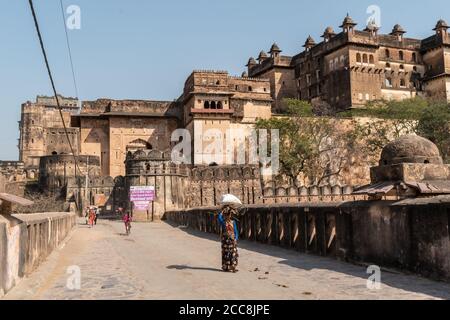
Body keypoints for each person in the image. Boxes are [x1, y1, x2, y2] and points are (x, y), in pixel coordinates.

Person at [218, 205, 239, 273]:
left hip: (231, 239)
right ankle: (226, 267)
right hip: (226, 240)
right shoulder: (224, 222)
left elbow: (235, 231)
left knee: (232, 253)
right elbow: (219, 218)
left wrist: (236, 238)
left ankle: (232, 266)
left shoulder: (233, 222)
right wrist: (221, 212)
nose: (228, 216)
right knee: (226, 253)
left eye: (229, 215)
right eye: (227, 215)